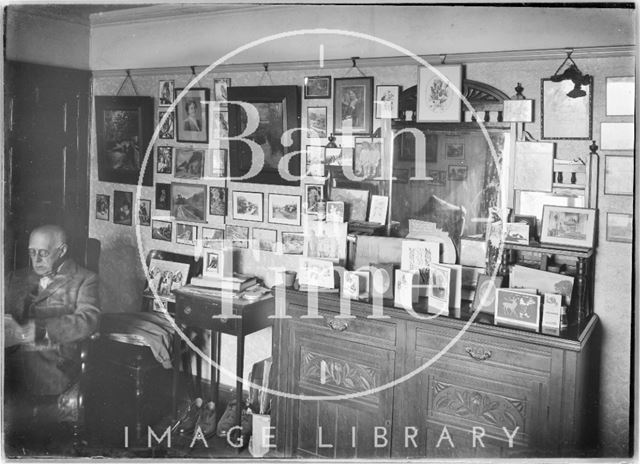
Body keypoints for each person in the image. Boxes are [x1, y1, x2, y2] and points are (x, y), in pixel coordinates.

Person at [5, 225, 100, 446]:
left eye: (43, 253)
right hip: (11, 354)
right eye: (31, 252)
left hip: (52, 360)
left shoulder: (85, 279)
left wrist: (40, 330)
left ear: (62, 250)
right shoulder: (14, 278)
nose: (36, 259)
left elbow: (89, 320)